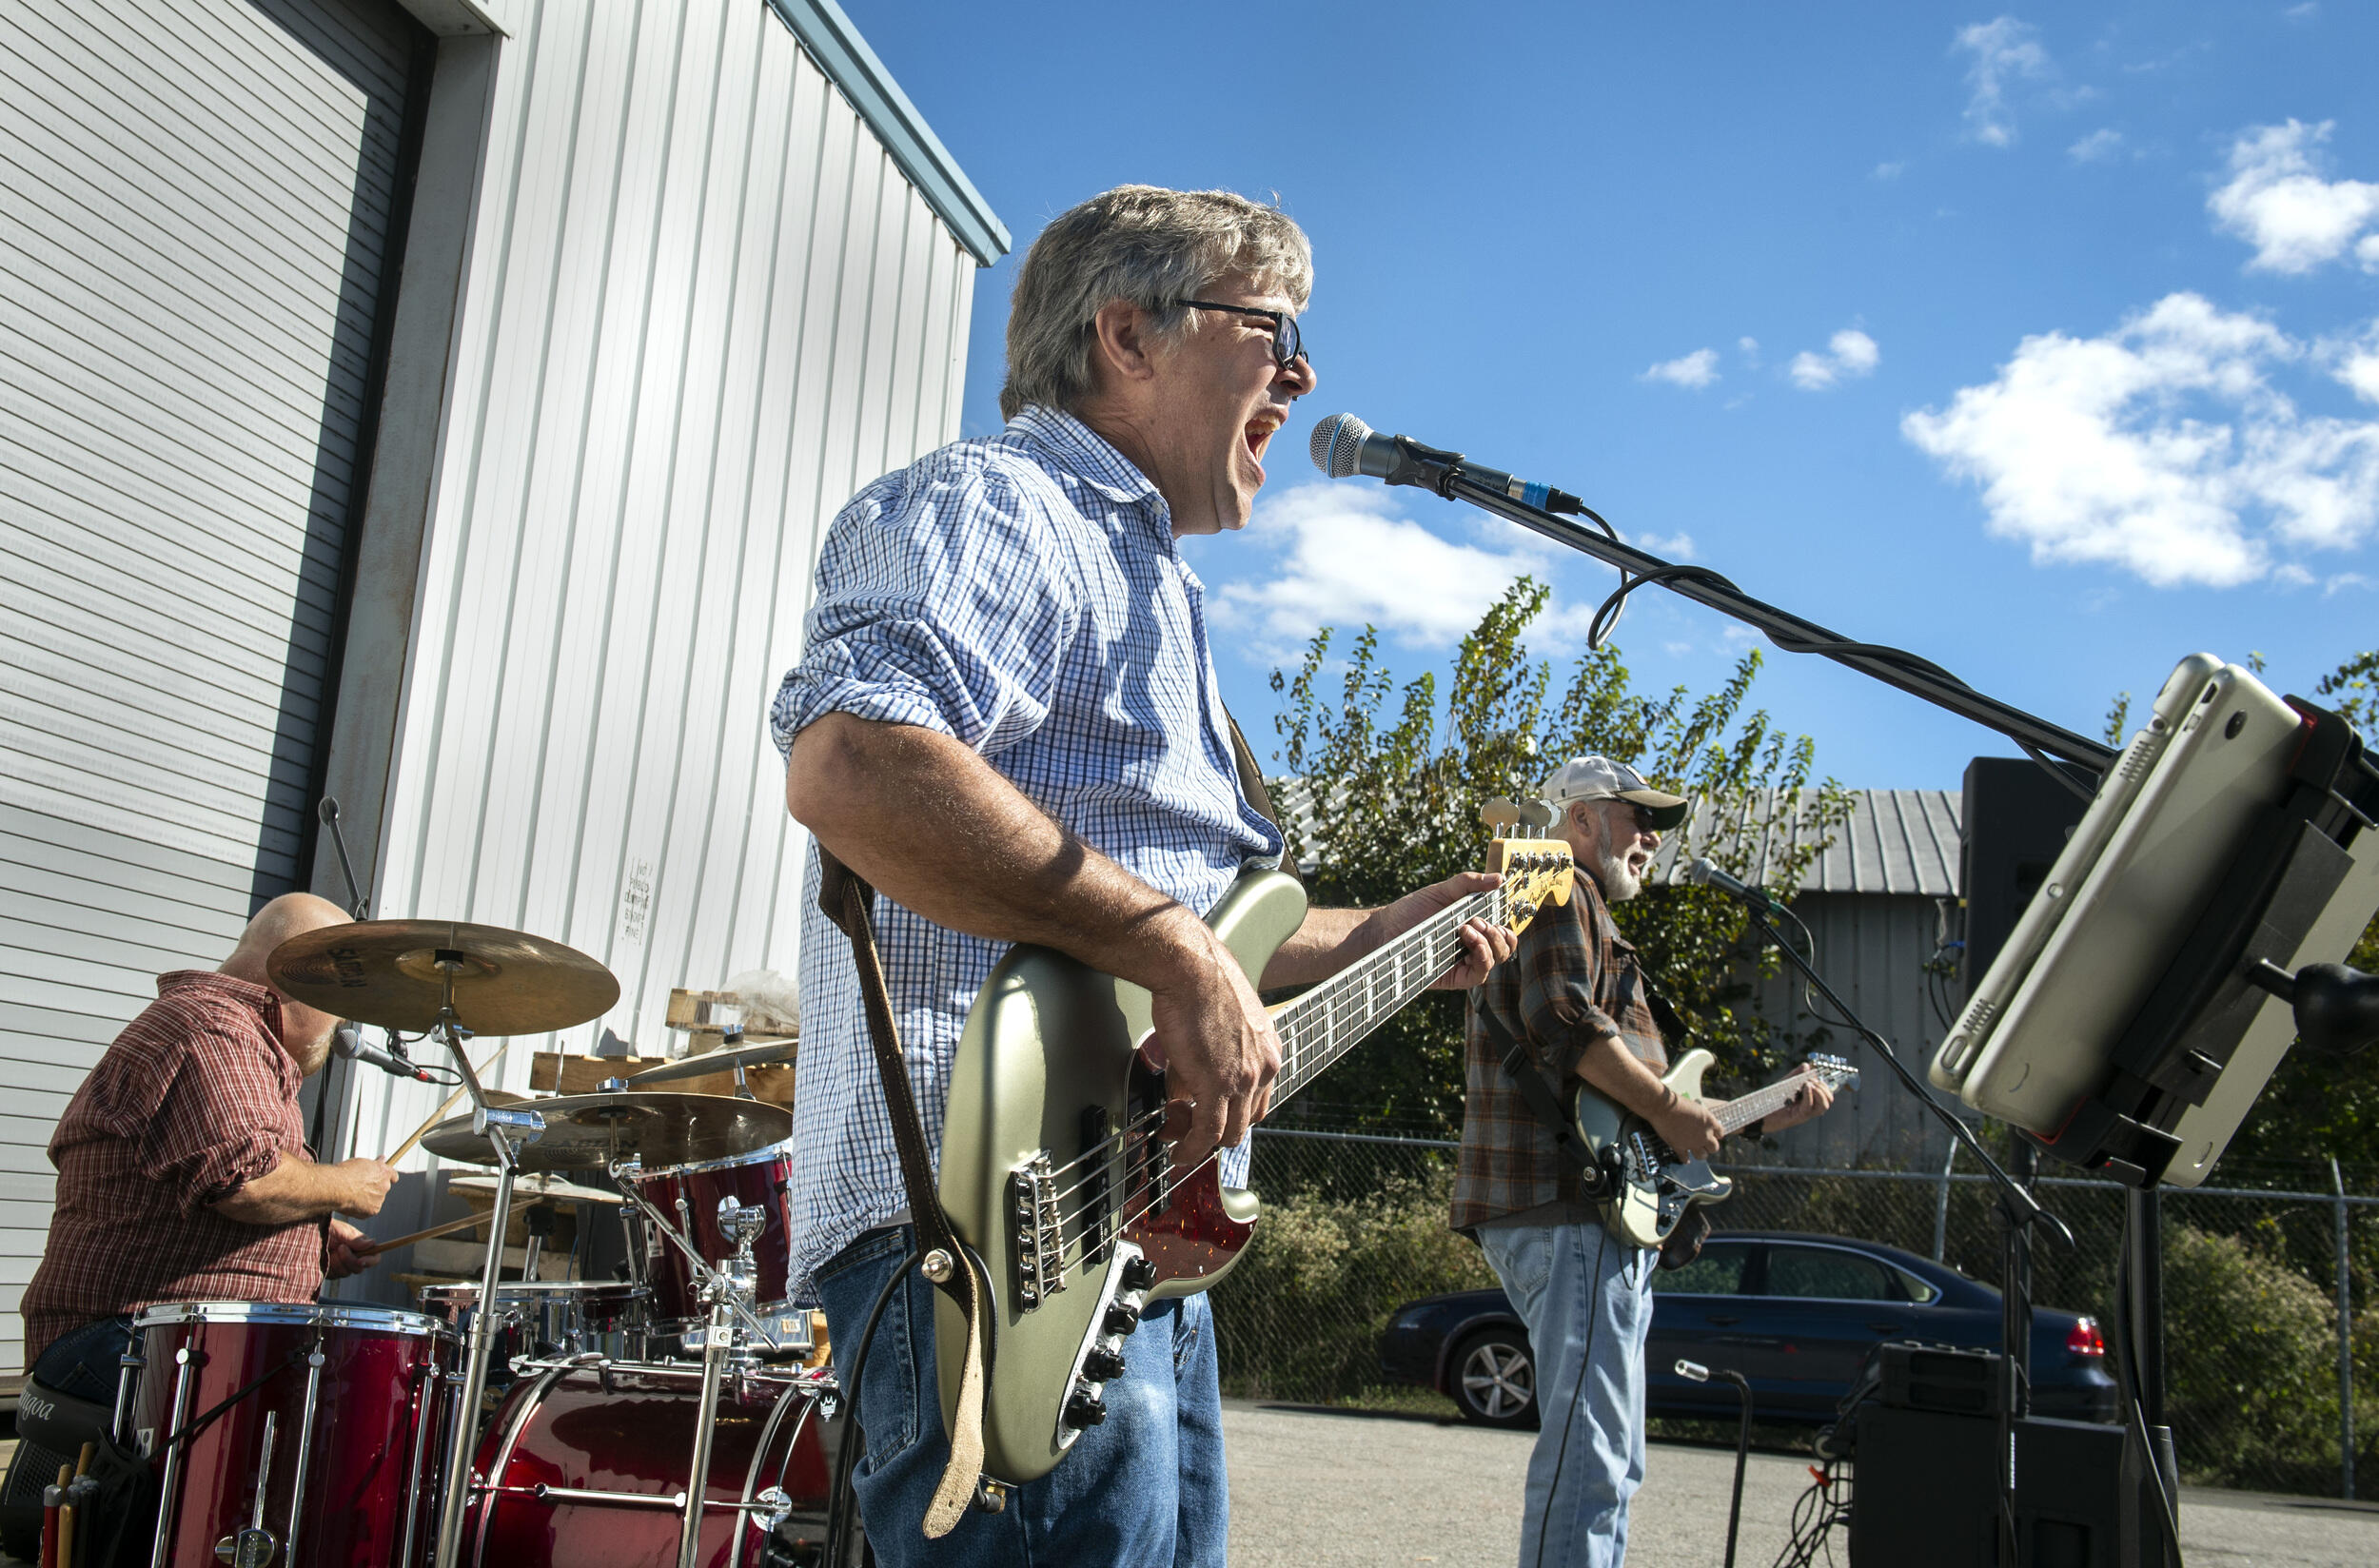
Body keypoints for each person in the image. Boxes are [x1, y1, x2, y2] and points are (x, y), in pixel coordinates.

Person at [773, 185, 1516, 1566]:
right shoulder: (1003, 503)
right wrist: (1176, 945)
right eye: (1274, 330)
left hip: (1139, 1262)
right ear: (1126, 334)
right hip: (990, 1239)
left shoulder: (1157, 586)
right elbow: (853, 764)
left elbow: (1205, 927)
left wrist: (1390, 934)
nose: (1303, 375)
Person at [1454, 755, 1837, 1568]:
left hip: (1582, 1209)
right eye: (1639, 815)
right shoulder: (1557, 880)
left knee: (1612, 1457)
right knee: (1593, 1453)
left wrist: (1754, 1117)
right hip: (1568, 1212)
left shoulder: (1578, 904)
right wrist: (1670, 1106)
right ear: (1582, 817)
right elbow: (1561, 1021)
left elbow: (1633, 1113)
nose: (1654, 836)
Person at [20, 893, 400, 1403]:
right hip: (131, 1334)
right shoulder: (212, 1029)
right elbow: (246, 1182)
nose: (338, 1027)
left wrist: (311, 1235)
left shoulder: (226, 1033)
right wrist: (347, 1185)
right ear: (300, 980)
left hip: (165, 1328)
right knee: (369, 1389)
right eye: (336, 1009)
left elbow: (203, 1184)